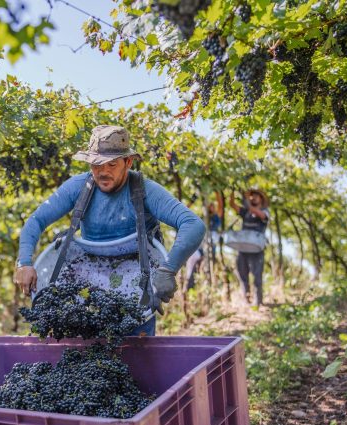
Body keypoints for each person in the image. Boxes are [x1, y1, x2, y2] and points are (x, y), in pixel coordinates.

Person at [14, 125, 205, 336]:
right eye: (96, 165)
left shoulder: (144, 190)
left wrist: (168, 269)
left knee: (134, 355)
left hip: (135, 287)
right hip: (91, 283)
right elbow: (36, 220)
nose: (103, 172)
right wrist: (24, 263)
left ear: (128, 162)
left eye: (112, 164)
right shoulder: (78, 188)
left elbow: (193, 224)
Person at [229, 188, 270, 307]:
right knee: (242, 273)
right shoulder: (245, 212)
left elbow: (259, 213)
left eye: (256, 196)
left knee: (257, 275)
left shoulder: (265, 211)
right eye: (251, 196)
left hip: (257, 248)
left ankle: (258, 302)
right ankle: (246, 299)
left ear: (261, 199)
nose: (253, 198)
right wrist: (232, 190)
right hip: (243, 248)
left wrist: (245, 199)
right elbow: (232, 204)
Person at [184, 193, 223, 292]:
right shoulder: (200, 219)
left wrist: (216, 191)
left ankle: (209, 290)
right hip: (199, 248)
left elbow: (220, 207)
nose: (211, 208)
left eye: (212, 206)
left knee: (207, 271)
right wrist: (192, 200)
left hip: (210, 249)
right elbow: (185, 211)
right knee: (193, 266)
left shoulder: (216, 218)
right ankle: (189, 287)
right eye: (209, 206)